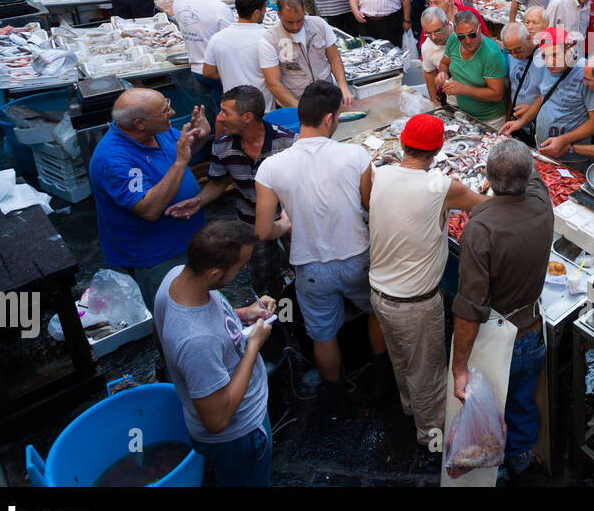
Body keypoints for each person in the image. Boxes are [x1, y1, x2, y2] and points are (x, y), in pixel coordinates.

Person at [255, 81, 388, 409]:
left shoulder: (271, 167)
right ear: (330, 119)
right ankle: (383, 381)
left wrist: (285, 224)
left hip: (311, 266)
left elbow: (262, 230)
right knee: (376, 314)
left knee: (323, 334)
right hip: (358, 256)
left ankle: (338, 397)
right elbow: (370, 205)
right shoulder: (355, 155)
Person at [368, 114, 484, 445]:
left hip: (379, 294)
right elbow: (485, 206)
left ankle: (409, 408)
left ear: (403, 144)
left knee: (401, 359)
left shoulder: (382, 174)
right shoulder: (442, 186)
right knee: (429, 373)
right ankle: (432, 435)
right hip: (415, 304)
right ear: (437, 150)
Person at [451, 139, 554, 482]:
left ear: (489, 178)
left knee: (494, 401)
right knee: (522, 400)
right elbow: (533, 173)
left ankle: (492, 464)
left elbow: (470, 307)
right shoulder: (542, 203)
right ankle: (521, 459)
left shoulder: (480, 227)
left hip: (498, 338)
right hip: (532, 331)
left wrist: (460, 367)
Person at [153, 221, 274, 487]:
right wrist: (253, 346)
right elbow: (217, 420)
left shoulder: (177, 276)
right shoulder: (197, 341)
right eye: (240, 266)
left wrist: (243, 314)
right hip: (239, 436)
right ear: (213, 273)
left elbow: (168, 328)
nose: (243, 269)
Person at [165, 86, 297, 297]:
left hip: (289, 221)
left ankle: (295, 314)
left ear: (247, 117)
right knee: (265, 280)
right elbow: (218, 183)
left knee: (301, 271)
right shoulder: (221, 146)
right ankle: (274, 317)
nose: (219, 118)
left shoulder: (288, 142)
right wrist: (198, 201)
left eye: (225, 112)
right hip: (250, 225)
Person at [89, 90, 213, 309]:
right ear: (139, 123)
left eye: (168, 103)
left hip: (189, 240)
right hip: (157, 256)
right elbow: (149, 209)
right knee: (172, 315)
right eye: (165, 110)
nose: (172, 112)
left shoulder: (158, 131)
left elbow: (181, 152)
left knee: (201, 303)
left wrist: (199, 136)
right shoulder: (114, 158)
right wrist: (181, 162)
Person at [500, 28, 594, 170]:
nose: (550, 62)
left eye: (555, 55)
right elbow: (542, 97)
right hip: (544, 150)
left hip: (571, 159)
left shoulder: (585, 72)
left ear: (568, 48)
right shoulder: (546, 67)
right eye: (545, 56)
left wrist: (563, 141)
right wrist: (521, 122)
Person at [259, 0, 354, 108]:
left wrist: (343, 87)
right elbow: (274, 84)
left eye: (299, 20)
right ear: (279, 15)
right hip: (296, 104)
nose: (295, 26)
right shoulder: (270, 39)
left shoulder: (319, 24)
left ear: (304, 11)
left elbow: (334, 59)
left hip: (326, 97)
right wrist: (300, 109)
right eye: (289, 22)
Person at [437, 11, 508, 126]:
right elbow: (444, 63)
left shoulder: (491, 54)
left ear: (479, 28)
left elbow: (497, 94)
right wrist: (443, 74)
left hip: (489, 120)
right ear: (455, 34)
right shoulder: (453, 41)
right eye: (461, 37)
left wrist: (463, 89)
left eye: (472, 34)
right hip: (464, 113)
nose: (468, 40)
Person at [173, 0, 234, 76]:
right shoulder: (220, 8)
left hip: (195, 69)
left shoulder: (179, 1)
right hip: (216, 71)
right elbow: (231, 44)